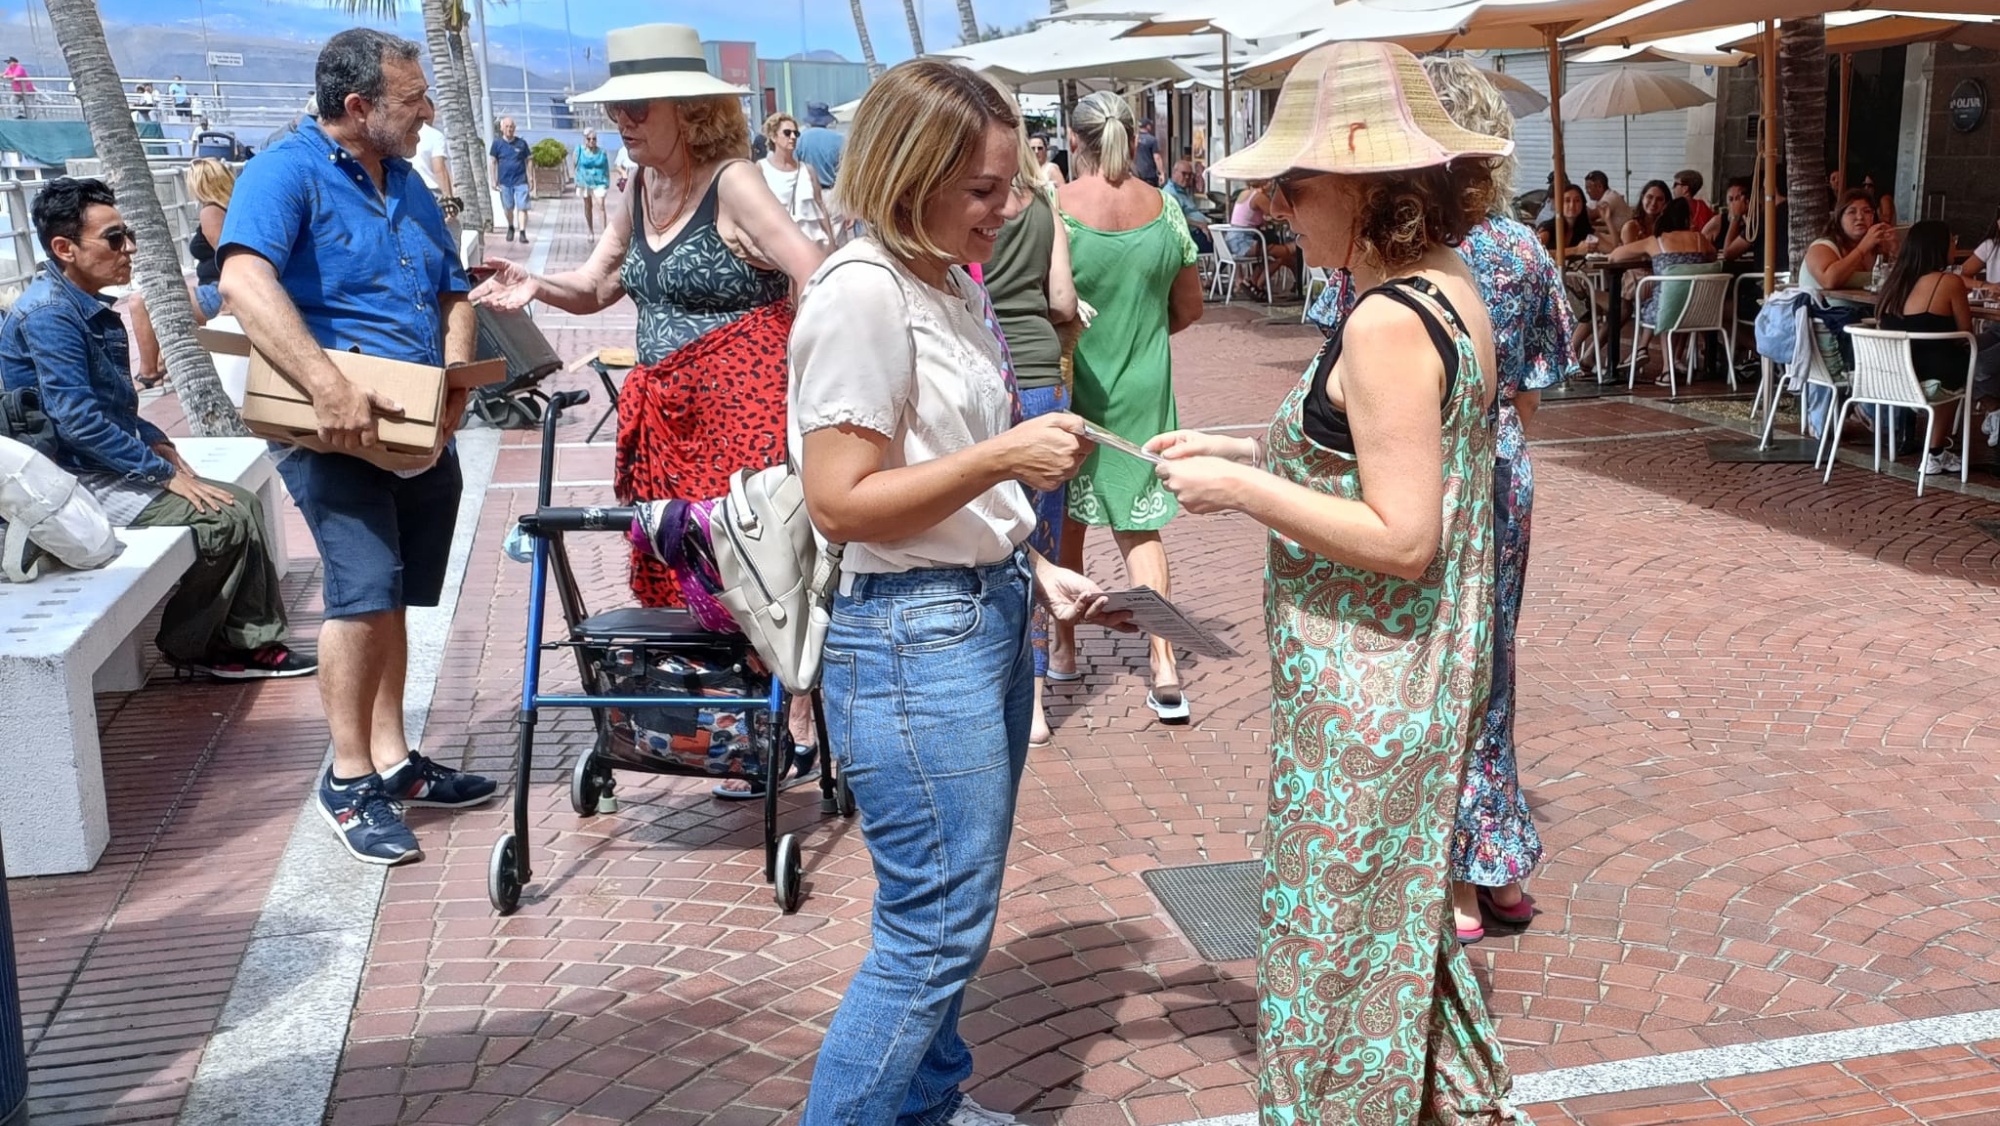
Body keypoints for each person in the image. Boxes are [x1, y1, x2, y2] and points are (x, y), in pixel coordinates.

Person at [1146, 39, 1525, 1122]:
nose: (1270, 204)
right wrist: (1235, 455)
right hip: (1402, 679)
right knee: (1390, 927)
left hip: (1370, 692)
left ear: (1365, 186)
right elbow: (1394, 468)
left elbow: (1403, 532)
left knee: (1335, 953)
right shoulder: (1444, 289)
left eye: (1291, 182)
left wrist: (1240, 491)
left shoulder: (1385, 319)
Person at [789, 58, 1122, 1126]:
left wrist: (1025, 559)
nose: (1006, 209)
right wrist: (1003, 464)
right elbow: (840, 501)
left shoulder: (938, 281)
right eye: (982, 190)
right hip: (911, 637)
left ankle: (926, 1104)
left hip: (966, 618)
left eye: (1008, 185)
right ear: (908, 176)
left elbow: (930, 470)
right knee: (932, 932)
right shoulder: (863, 295)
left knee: (941, 916)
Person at [469, 23, 827, 800]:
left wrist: (794, 369)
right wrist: (535, 283)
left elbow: (813, 269)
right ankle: (723, 729)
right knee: (685, 574)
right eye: (616, 111)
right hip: (668, 418)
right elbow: (600, 283)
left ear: (690, 109)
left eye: (638, 108)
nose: (621, 124)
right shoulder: (637, 188)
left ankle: (791, 727)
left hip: (744, 410)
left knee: (757, 567)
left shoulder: (733, 180)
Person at [219, 28, 496, 866]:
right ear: (357, 107)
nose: (427, 114)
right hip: (329, 428)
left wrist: (453, 378)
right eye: (414, 102)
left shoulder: (406, 180)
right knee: (362, 586)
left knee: (398, 592)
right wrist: (326, 387)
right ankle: (347, 779)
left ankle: (394, 760)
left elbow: (454, 290)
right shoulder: (284, 172)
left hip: (419, 425)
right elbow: (242, 280)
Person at [0, 177, 310, 682]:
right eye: (115, 238)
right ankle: (198, 646)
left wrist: (155, 439)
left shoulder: (79, 303)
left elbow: (108, 407)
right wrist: (159, 473)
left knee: (241, 502)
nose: (131, 249)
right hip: (68, 479)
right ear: (65, 248)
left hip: (93, 461)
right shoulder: (51, 314)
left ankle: (248, 642)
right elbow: (75, 421)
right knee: (221, 520)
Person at [1422, 56, 1571, 943]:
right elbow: (1533, 393)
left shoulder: (1392, 253)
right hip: (1501, 465)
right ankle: (1498, 862)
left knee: (1432, 667)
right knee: (1492, 669)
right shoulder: (1520, 249)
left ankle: (1457, 880)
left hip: (1425, 469)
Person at [1054, 90, 1204, 722]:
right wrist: (1142, 329)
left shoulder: (1056, 209)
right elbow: (1191, 307)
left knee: (1067, 520)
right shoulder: (1165, 210)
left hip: (1076, 379)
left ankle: (1062, 648)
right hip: (1145, 384)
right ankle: (1164, 662)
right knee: (1140, 526)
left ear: (1074, 139)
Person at [983, 130, 1080, 748]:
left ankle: (994, 685)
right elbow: (1062, 299)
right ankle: (1038, 702)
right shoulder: (1047, 211)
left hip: (990, 374)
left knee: (990, 534)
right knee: (1039, 536)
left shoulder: (963, 216)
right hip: (1044, 380)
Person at [129, 157, 236, 387]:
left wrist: (229, 302)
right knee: (166, 295)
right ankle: (161, 366)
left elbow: (230, 259)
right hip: (218, 289)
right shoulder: (232, 207)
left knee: (140, 301)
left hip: (219, 293)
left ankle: (149, 374)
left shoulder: (211, 211)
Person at [1877, 220, 1973, 475]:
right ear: (1938, 247)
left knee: (1951, 360)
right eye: (1952, 240)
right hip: (1929, 376)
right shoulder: (1949, 282)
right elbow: (1965, 332)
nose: (1955, 244)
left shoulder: (1893, 283)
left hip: (1890, 376)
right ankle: (1934, 452)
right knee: (1963, 359)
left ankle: (1936, 452)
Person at [1609, 196, 1717, 379]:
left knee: (1659, 301)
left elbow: (1614, 257)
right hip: (1701, 311)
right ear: (1688, 218)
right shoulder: (1700, 239)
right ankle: (1643, 350)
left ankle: (1665, 369)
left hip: (1668, 309)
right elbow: (1713, 257)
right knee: (1664, 299)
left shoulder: (1655, 241)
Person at [757, 111, 839, 248]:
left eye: (796, 133)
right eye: (787, 133)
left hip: (813, 243)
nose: (793, 137)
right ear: (773, 137)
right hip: (781, 246)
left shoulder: (808, 170)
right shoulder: (762, 168)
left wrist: (831, 241)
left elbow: (820, 206)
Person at [1223, 183, 1303, 297]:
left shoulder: (1244, 193)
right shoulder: (1259, 197)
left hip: (1232, 241)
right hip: (1244, 242)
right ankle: (1256, 284)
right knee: (1283, 254)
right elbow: (1276, 215)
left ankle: (1252, 282)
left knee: (1278, 255)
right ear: (1266, 183)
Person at [489, 115, 531, 243]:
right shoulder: (497, 144)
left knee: (522, 207)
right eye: (507, 127)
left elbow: (529, 160)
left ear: (515, 128)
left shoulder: (521, 143)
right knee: (508, 208)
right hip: (505, 182)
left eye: (511, 127)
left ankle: (522, 232)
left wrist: (531, 178)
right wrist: (493, 179)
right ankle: (511, 226)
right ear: (502, 128)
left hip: (521, 180)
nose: (509, 129)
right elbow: (493, 162)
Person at [1162, 158, 1214, 254]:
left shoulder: (1182, 191)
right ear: (1174, 173)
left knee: (1226, 244)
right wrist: (1200, 225)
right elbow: (1175, 217)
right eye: (1184, 174)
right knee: (1225, 248)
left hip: (1199, 232)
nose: (1187, 177)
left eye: (1190, 175)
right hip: (1190, 236)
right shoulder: (1170, 192)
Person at [794, 100, 843, 191]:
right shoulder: (840, 139)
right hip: (832, 190)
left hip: (807, 191)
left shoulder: (799, 139)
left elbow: (793, 166)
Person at [1705, 175, 1754, 261]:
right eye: (1731, 199)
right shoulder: (1717, 222)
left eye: (1737, 199)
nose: (1734, 203)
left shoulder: (1754, 224)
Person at [573, 127, 611, 236]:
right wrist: (576, 181)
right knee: (588, 205)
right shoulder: (579, 151)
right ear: (584, 139)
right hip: (585, 182)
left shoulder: (602, 152)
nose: (591, 141)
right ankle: (590, 230)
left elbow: (606, 168)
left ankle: (604, 234)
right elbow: (575, 166)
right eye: (589, 139)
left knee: (601, 204)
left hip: (599, 182)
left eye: (594, 139)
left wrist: (607, 181)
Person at [1619, 178, 1670, 248]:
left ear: (1666, 203)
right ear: (1643, 198)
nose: (1653, 203)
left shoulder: (1670, 229)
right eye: (1650, 197)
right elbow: (1629, 256)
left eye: (1659, 199)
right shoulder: (1631, 227)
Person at [1584, 170, 1631, 242]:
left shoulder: (1609, 199)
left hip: (1622, 239)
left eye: (1588, 187)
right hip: (1618, 233)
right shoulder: (1608, 195)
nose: (1586, 191)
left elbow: (1589, 215)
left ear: (1599, 187)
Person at [412, 119, 452, 199]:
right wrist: (448, 199)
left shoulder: (399, 133)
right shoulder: (434, 135)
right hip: (430, 192)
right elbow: (439, 170)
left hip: (405, 192)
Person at [1133, 117, 1161, 186]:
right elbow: (1157, 157)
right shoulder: (1152, 139)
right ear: (1147, 126)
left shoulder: (1133, 139)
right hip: (1150, 175)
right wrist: (1161, 172)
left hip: (1136, 173)